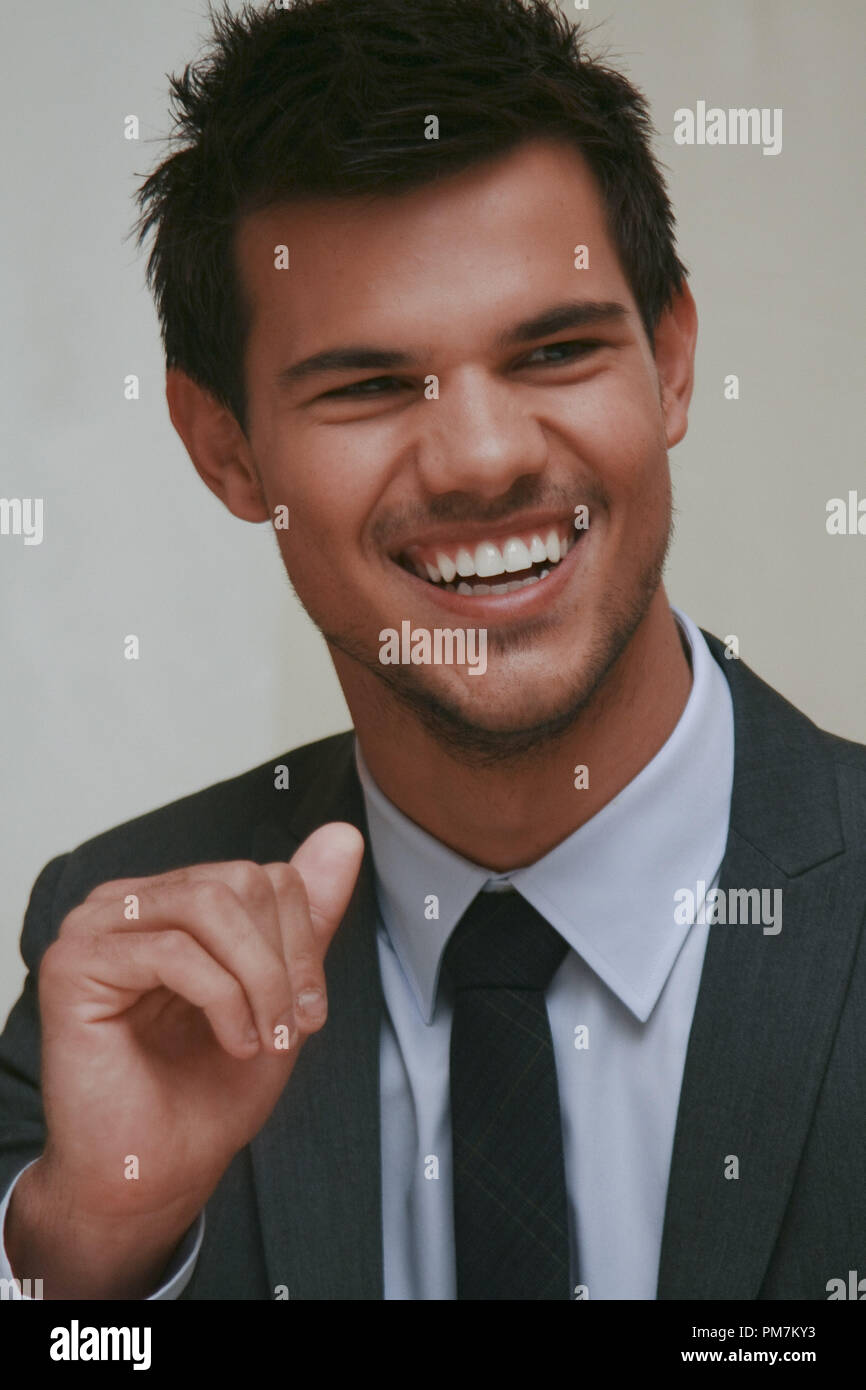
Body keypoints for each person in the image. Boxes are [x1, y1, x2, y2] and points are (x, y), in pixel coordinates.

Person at [1, 0, 863, 1302]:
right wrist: (86, 1250)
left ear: (670, 360)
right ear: (223, 446)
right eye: (362, 385)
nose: (481, 457)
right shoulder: (112, 950)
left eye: (558, 349)